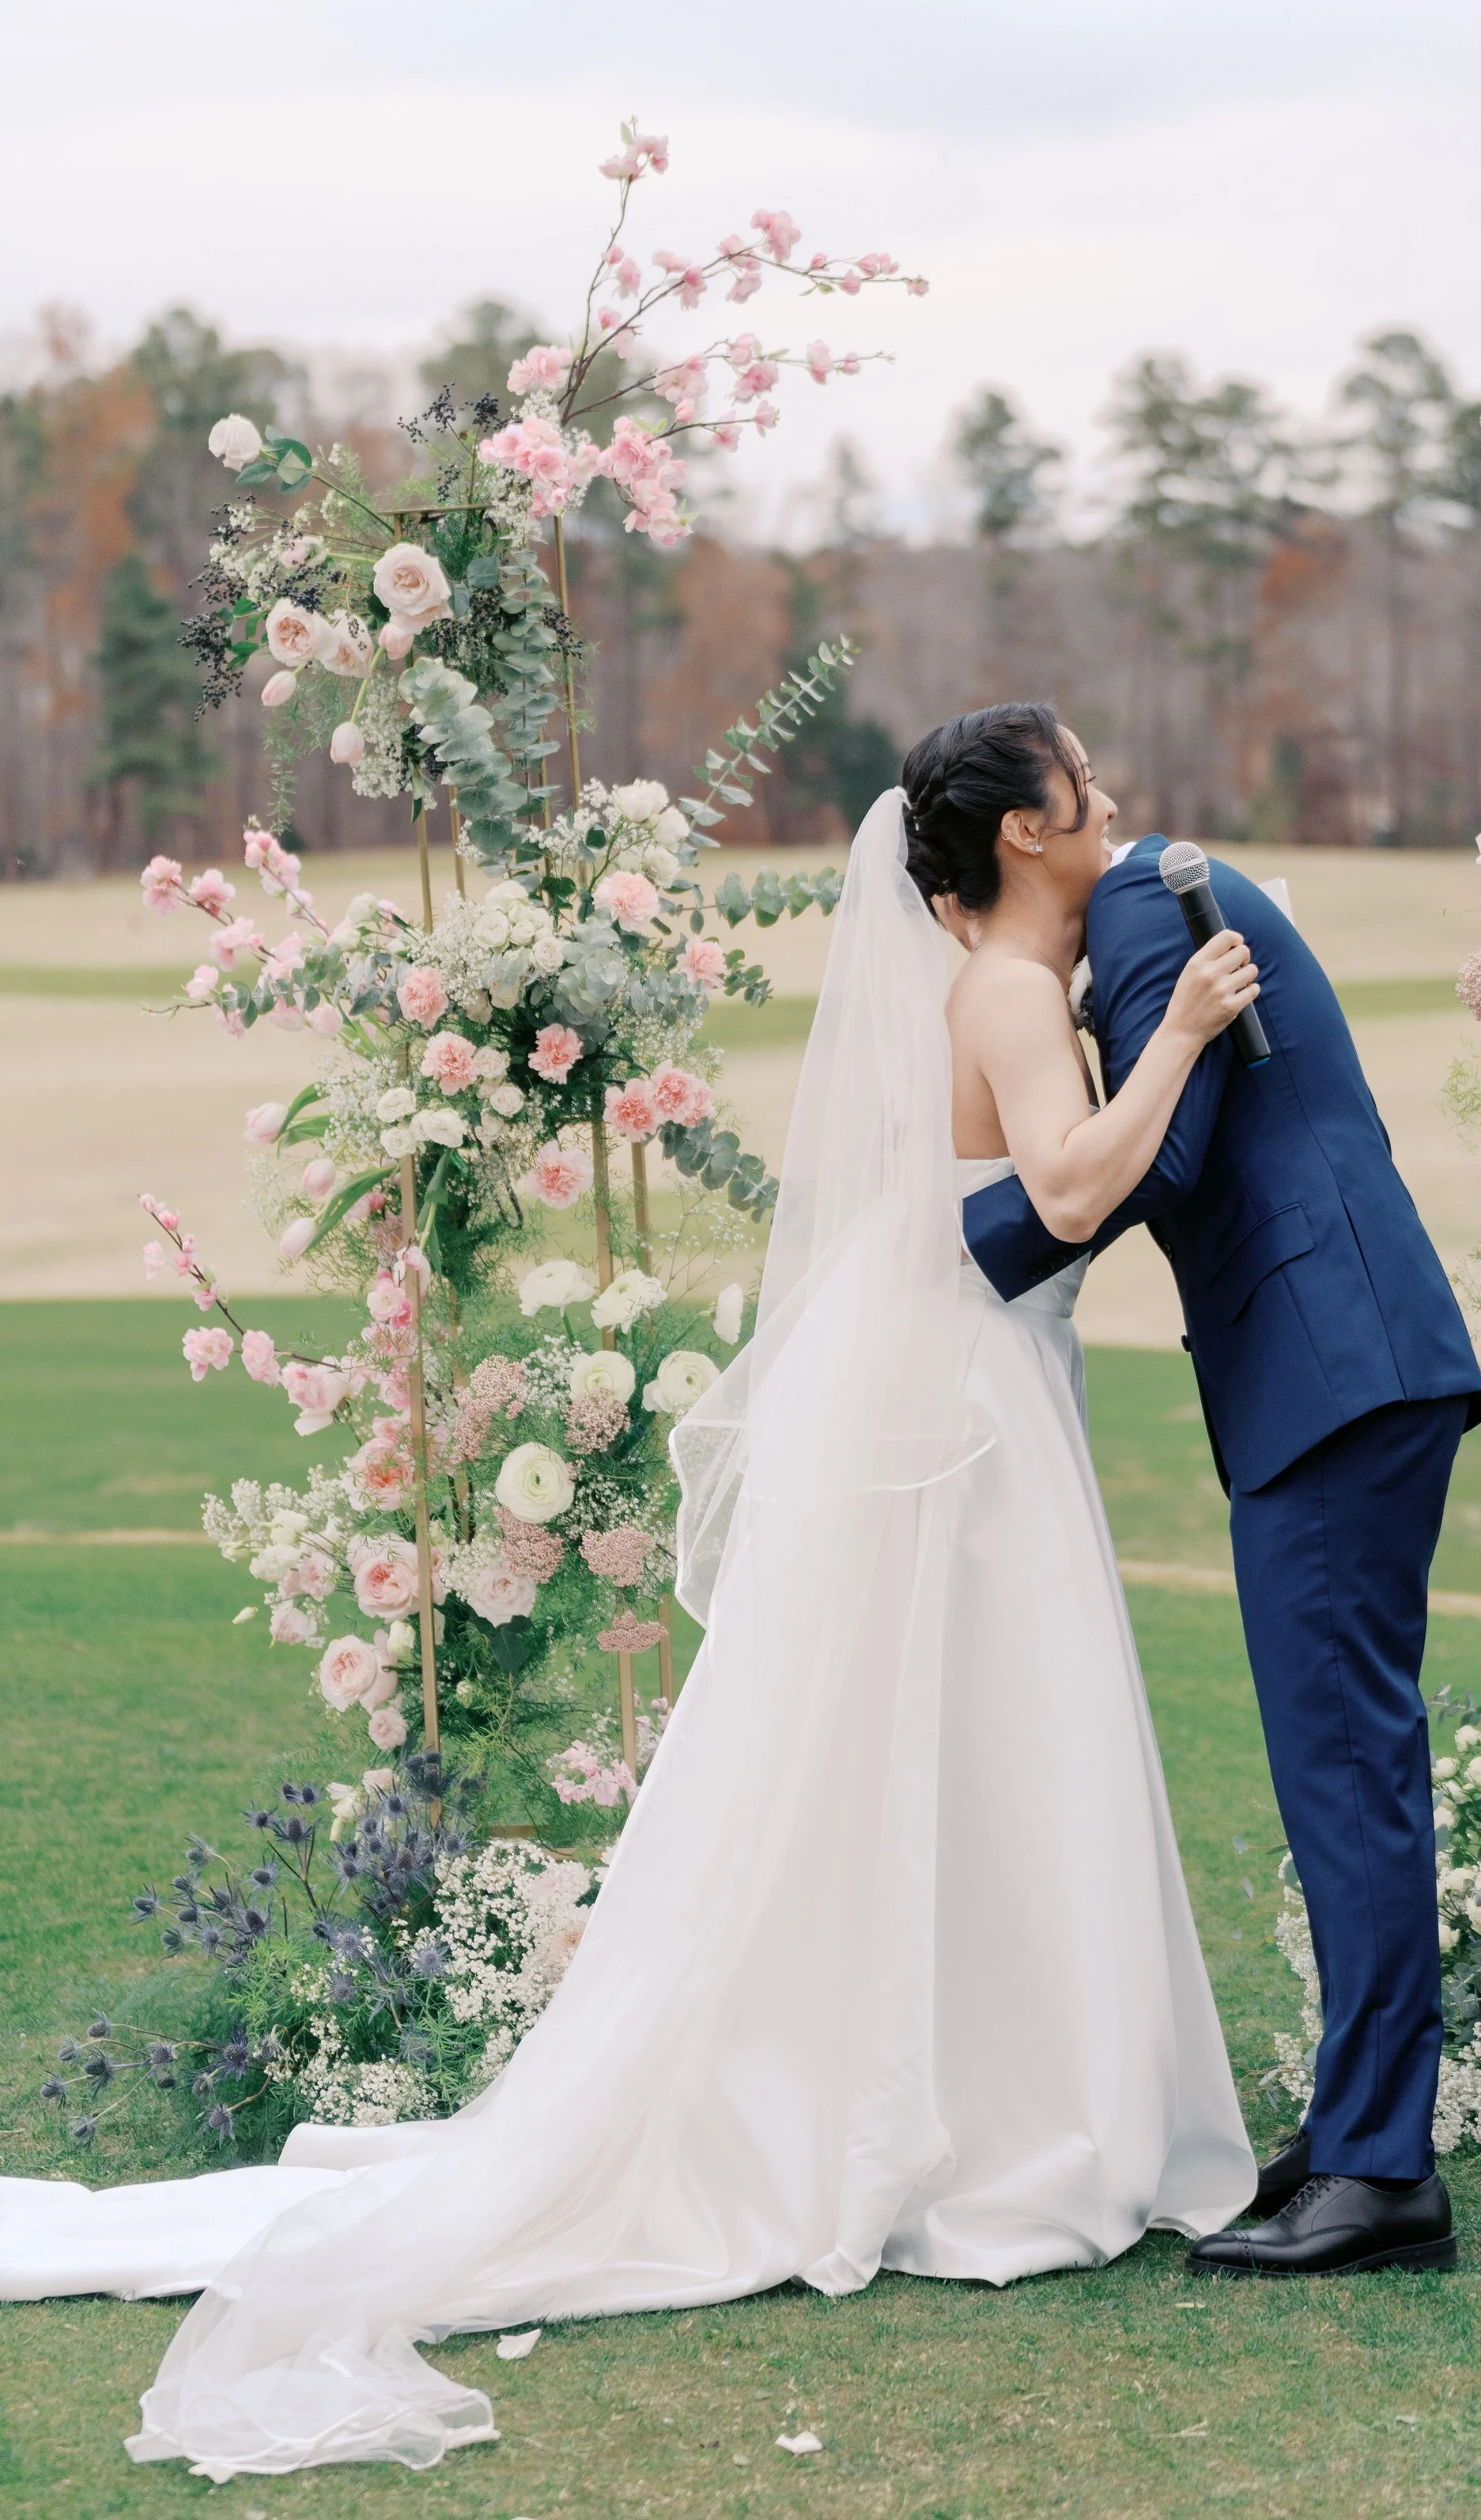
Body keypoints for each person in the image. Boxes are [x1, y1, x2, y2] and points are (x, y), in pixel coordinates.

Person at [0, 730, 1259, 2481]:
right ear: (1025, 829)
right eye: (1080, 781)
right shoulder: (1003, 992)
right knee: (981, 1736)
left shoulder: (991, 981)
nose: (1111, 797)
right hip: (964, 1408)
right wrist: (1186, 1038)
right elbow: (1059, 1188)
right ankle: (998, 2128)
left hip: (955, 1384)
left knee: (950, 1742)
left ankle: (970, 2096)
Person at [962, 745, 1481, 2281]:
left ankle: (1383, 2174)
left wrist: (954, 1238)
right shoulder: (1149, 902)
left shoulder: (1137, 910)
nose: (1104, 792)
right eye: (1080, 773)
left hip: (1332, 1377)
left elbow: (1160, 1152)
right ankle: (1352, 2135)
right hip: (1341, 1370)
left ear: (1009, 840)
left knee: (1347, 1779)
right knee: (1346, 1771)